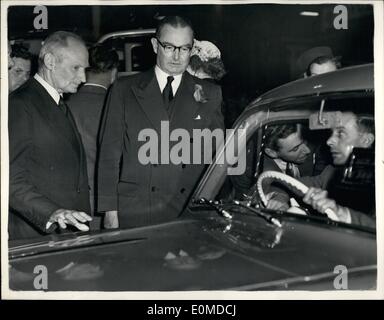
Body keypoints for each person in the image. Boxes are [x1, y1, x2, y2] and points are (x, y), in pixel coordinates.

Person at [98, 16, 224, 229]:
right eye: (169, 47)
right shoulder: (124, 89)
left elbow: (218, 159)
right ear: (155, 45)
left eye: (184, 49)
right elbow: (109, 156)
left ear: (192, 50)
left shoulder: (210, 93)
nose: (176, 56)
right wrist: (110, 211)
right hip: (136, 209)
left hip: (185, 211)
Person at [8, 31, 92, 240]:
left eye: (85, 69)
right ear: (50, 61)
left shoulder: (55, 101)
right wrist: (52, 213)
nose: (83, 78)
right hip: (39, 236)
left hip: (64, 232)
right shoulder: (20, 105)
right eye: (76, 68)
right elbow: (9, 179)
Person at [271, 112, 375, 228]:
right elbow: (286, 183)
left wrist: (343, 214)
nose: (329, 141)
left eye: (340, 133)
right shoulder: (332, 172)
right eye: (332, 133)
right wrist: (279, 198)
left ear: (366, 140)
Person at [67, 44, 119, 223]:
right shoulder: (117, 108)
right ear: (113, 73)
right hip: (105, 205)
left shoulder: (64, 104)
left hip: (68, 208)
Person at [232, 124, 311, 203]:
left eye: (304, 141)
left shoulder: (313, 144)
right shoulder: (265, 178)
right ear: (272, 153)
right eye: (296, 149)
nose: (308, 150)